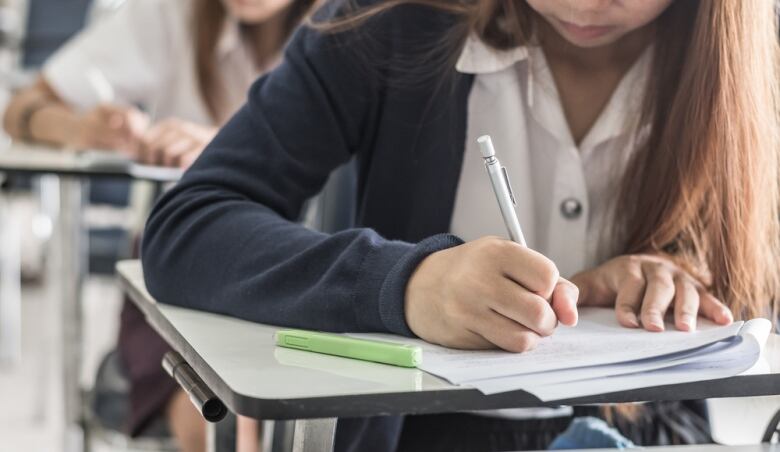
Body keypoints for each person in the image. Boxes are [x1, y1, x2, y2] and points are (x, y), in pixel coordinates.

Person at [140, 0, 780, 450]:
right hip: (409, 434)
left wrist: (682, 273)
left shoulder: (755, 58)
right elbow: (190, 225)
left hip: (650, 434)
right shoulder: (387, 23)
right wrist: (408, 284)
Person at [2, 0, 315, 450]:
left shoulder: (351, 29)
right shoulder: (173, 15)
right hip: (180, 281)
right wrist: (81, 129)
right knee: (221, 416)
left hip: (300, 277)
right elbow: (21, 107)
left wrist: (228, 147)